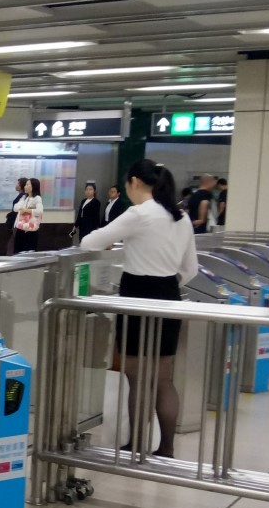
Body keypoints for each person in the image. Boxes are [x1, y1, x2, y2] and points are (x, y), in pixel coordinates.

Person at [80, 159, 197, 458]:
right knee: (163, 377)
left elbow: (90, 242)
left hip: (136, 294)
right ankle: (167, 447)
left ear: (134, 182)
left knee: (135, 373)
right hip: (169, 294)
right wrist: (165, 281)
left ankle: (135, 445)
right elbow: (190, 269)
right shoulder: (180, 216)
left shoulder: (139, 214)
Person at [13, 177, 44, 252]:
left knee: (28, 251)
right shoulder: (24, 197)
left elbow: (40, 211)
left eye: (27, 185)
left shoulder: (37, 198)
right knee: (18, 251)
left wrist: (27, 210)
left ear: (33, 186)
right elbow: (15, 208)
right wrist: (22, 209)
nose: (25, 187)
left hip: (30, 231)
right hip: (21, 228)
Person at [4, 177, 28, 254]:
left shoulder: (23, 196)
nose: (16, 185)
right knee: (12, 243)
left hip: (18, 223)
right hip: (16, 222)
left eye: (18, 183)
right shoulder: (21, 195)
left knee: (13, 244)